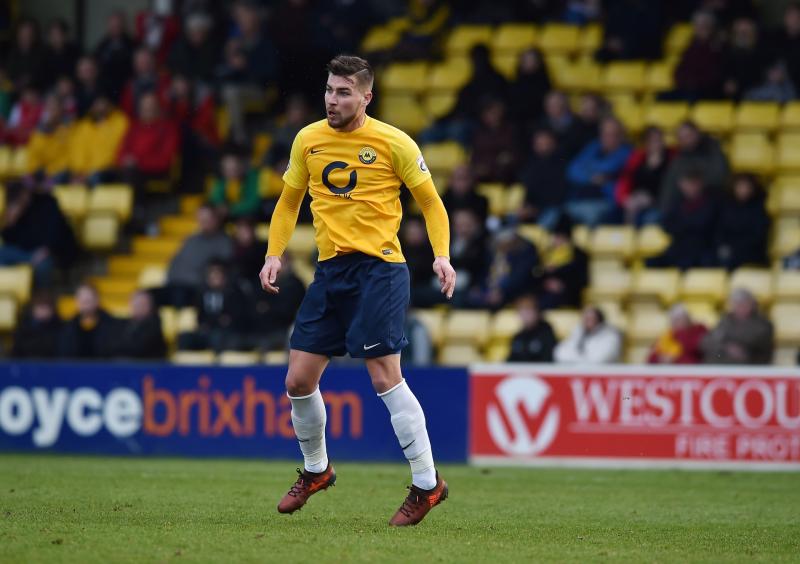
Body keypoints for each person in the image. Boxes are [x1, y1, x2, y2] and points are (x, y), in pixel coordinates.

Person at [258, 55, 455, 526]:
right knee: (298, 381)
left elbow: (431, 203)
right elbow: (288, 204)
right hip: (330, 273)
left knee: (385, 375)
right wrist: (274, 253)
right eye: (329, 90)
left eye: (343, 92)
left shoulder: (393, 143)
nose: (332, 99)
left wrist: (442, 255)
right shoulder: (308, 139)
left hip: (380, 271)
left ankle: (427, 484)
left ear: (367, 97)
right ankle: (316, 471)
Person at [0, 182, 78, 286]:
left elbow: (56, 232)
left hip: (53, 252)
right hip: (28, 253)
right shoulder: (17, 213)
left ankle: (42, 295)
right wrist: (10, 222)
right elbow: (10, 242)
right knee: (2, 253)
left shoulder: (47, 203)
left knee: (43, 264)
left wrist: (46, 249)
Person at [160, 203, 233, 307]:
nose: (203, 222)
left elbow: (218, 270)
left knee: (179, 296)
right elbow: (175, 261)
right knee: (147, 295)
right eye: (201, 219)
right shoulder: (190, 240)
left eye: (206, 219)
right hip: (175, 284)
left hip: (196, 289)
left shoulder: (224, 242)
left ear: (215, 219)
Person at [565, 117, 632, 226]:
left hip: (607, 202)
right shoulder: (593, 147)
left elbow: (610, 167)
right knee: (557, 217)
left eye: (613, 134)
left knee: (589, 217)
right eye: (605, 134)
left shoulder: (626, 152)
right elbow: (572, 170)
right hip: (580, 200)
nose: (608, 138)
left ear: (621, 136)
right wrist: (591, 177)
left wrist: (587, 168)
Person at [650, 170, 718, 270]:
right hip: (679, 246)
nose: (689, 187)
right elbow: (666, 225)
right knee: (652, 262)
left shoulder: (711, 202)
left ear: (700, 184)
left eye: (692, 183)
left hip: (702, 248)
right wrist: (688, 225)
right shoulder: (676, 202)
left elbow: (703, 225)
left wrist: (683, 225)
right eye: (686, 183)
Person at [177, 260, 249, 353]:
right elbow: (200, 316)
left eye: (217, 276)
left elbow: (231, 318)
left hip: (225, 333)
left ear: (224, 277)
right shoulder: (201, 294)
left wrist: (217, 321)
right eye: (212, 275)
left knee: (217, 337)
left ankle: (216, 365)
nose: (215, 278)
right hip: (206, 331)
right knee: (185, 338)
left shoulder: (232, 294)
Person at [659, 121, 729, 213]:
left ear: (696, 134)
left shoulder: (713, 150)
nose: (684, 141)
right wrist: (663, 210)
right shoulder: (679, 158)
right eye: (681, 138)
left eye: (687, 136)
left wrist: (694, 184)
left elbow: (719, 176)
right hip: (683, 205)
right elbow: (669, 187)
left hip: (710, 202)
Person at [614, 126, 673, 226]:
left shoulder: (670, 159)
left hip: (659, 202)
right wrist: (625, 199)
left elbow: (670, 186)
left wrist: (654, 200)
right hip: (637, 199)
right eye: (652, 141)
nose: (656, 144)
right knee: (618, 213)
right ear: (647, 143)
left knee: (651, 218)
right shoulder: (638, 159)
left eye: (659, 140)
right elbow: (626, 180)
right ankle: (629, 234)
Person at [701, 288, 774, 365]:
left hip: (750, 367)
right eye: (736, 303)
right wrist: (726, 347)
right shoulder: (725, 320)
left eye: (743, 303)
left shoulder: (762, 324)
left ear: (752, 304)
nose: (739, 306)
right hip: (721, 365)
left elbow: (754, 342)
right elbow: (707, 341)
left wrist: (725, 343)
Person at [69, 95, 129, 186]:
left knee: (97, 177)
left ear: (110, 105)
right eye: (97, 104)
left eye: (103, 103)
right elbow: (78, 152)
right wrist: (80, 172)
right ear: (91, 107)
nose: (101, 107)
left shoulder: (120, 123)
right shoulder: (83, 127)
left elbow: (120, 149)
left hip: (112, 170)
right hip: (87, 173)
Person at [533, 214, 588, 310]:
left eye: (561, 237)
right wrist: (545, 283)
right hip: (543, 292)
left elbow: (583, 280)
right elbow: (535, 274)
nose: (557, 241)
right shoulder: (546, 254)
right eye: (556, 237)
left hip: (567, 295)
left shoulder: (579, 256)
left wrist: (562, 286)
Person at [715, 174, 769, 271]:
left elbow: (758, 235)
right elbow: (719, 231)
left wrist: (736, 248)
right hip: (729, 253)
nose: (743, 190)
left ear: (753, 189)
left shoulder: (759, 209)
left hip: (752, 254)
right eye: (740, 186)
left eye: (746, 187)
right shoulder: (725, 206)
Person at [517, 127, 569, 228]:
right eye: (538, 143)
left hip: (553, 208)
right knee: (509, 221)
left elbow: (559, 194)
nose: (542, 146)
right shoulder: (531, 165)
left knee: (547, 222)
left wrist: (537, 209)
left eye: (545, 143)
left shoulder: (561, 163)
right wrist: (526, 206)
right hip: (533, 208)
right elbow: (529, 189)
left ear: (553, 143)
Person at [57, 283, 118, 359]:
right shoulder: (68, 327)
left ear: (97, 300)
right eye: (82, 301)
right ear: (77, 301)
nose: (85, 305)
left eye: (88, 301)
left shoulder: (112, 326)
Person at [554, 306, 622, 364]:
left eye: (591, 319)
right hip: (578, 373)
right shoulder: (578, 332)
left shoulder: (610, 335)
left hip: (602, 375)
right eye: (586, 319)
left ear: (599, 320)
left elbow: (600, 359)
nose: (588, 322)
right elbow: (560, 354)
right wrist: (582, 360)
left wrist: (575, 359)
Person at [208, 145, 261, 219]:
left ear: (241, 167)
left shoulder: (252, 177)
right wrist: (220, 206)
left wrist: (231, 209)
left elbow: (253, 203)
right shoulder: (220, 182)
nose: (232, 173)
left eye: (234, 169)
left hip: (250, 218)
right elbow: (215, 199)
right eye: (228, 170)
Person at [113, 290, 166, 359]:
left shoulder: (154, 326)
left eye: (142, 304)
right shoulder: (122, 324)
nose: (139, 307)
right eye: (136, 303)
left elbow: (138, 348)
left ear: (151, 306)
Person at [507, 294, 557, 362]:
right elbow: (509, 362)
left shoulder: (546, 333)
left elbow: (549, 360)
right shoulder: (518, 337)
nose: (525, 315)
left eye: (528, 310)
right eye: (521, 310)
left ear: (537, 312)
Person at [11, 292, 62, 358]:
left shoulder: (60, 329)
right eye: (40, 307)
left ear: (52, 310)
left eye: (46, 308)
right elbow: (16, 353)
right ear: (33, 309)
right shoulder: (23, 329)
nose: (43, 311)